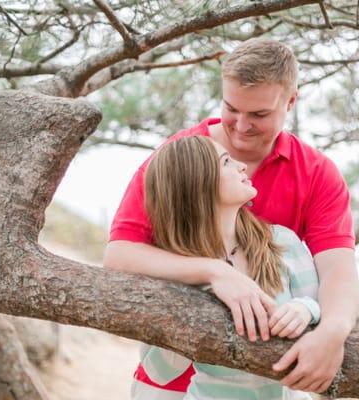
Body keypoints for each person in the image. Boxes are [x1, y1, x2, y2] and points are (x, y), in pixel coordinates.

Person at [104, 38, 359, 396]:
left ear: (290, 102)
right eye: (231, 108)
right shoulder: (180, 160)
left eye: (259, 114)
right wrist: (215, 271)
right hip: (171, 386)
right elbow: (119, 254)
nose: (240, 126)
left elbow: (337, 272)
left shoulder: (316, 174)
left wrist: (332, 331)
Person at [134, 135, 322, 399]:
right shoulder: (176, 268)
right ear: (198, 185)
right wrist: (187, 310)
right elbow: (158, 372)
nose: (242, 166)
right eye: (225, 162)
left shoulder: (281, 242)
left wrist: (305, 309)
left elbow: (321, 310)